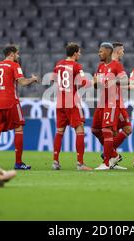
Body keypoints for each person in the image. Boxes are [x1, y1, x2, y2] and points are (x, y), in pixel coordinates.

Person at [0, 46, 40, 170]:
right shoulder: (14, 65)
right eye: (17, 54)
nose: (18, 56)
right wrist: (33, 79)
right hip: (11, 101)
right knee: (19, 127)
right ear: (11, 54)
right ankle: (18, 163)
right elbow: (22, 82)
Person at [52, 42, 92, 171]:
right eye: (79, 52)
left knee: (59, 131)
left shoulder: (58, 64)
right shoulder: (76, 65)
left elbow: (53, 79)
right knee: (80, 130)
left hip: (60, 101)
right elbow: (84, 82)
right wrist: (94, 81)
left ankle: (55, 162)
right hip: (72, 101)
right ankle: (80, 163)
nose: (80, 54)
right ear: (75, 53)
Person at [92, 42, 128, 170]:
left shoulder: (116, 65)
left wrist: (112, 80)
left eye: (101, 51)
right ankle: (113, 154)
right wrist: (95, 83)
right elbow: (97, 85)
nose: (99, 53)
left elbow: (125, 80)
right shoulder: (100, 67)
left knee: (107, 131)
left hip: (112, 103)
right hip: (101, 102)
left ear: (108, 51)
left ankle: (106, 163)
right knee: (95, 130)